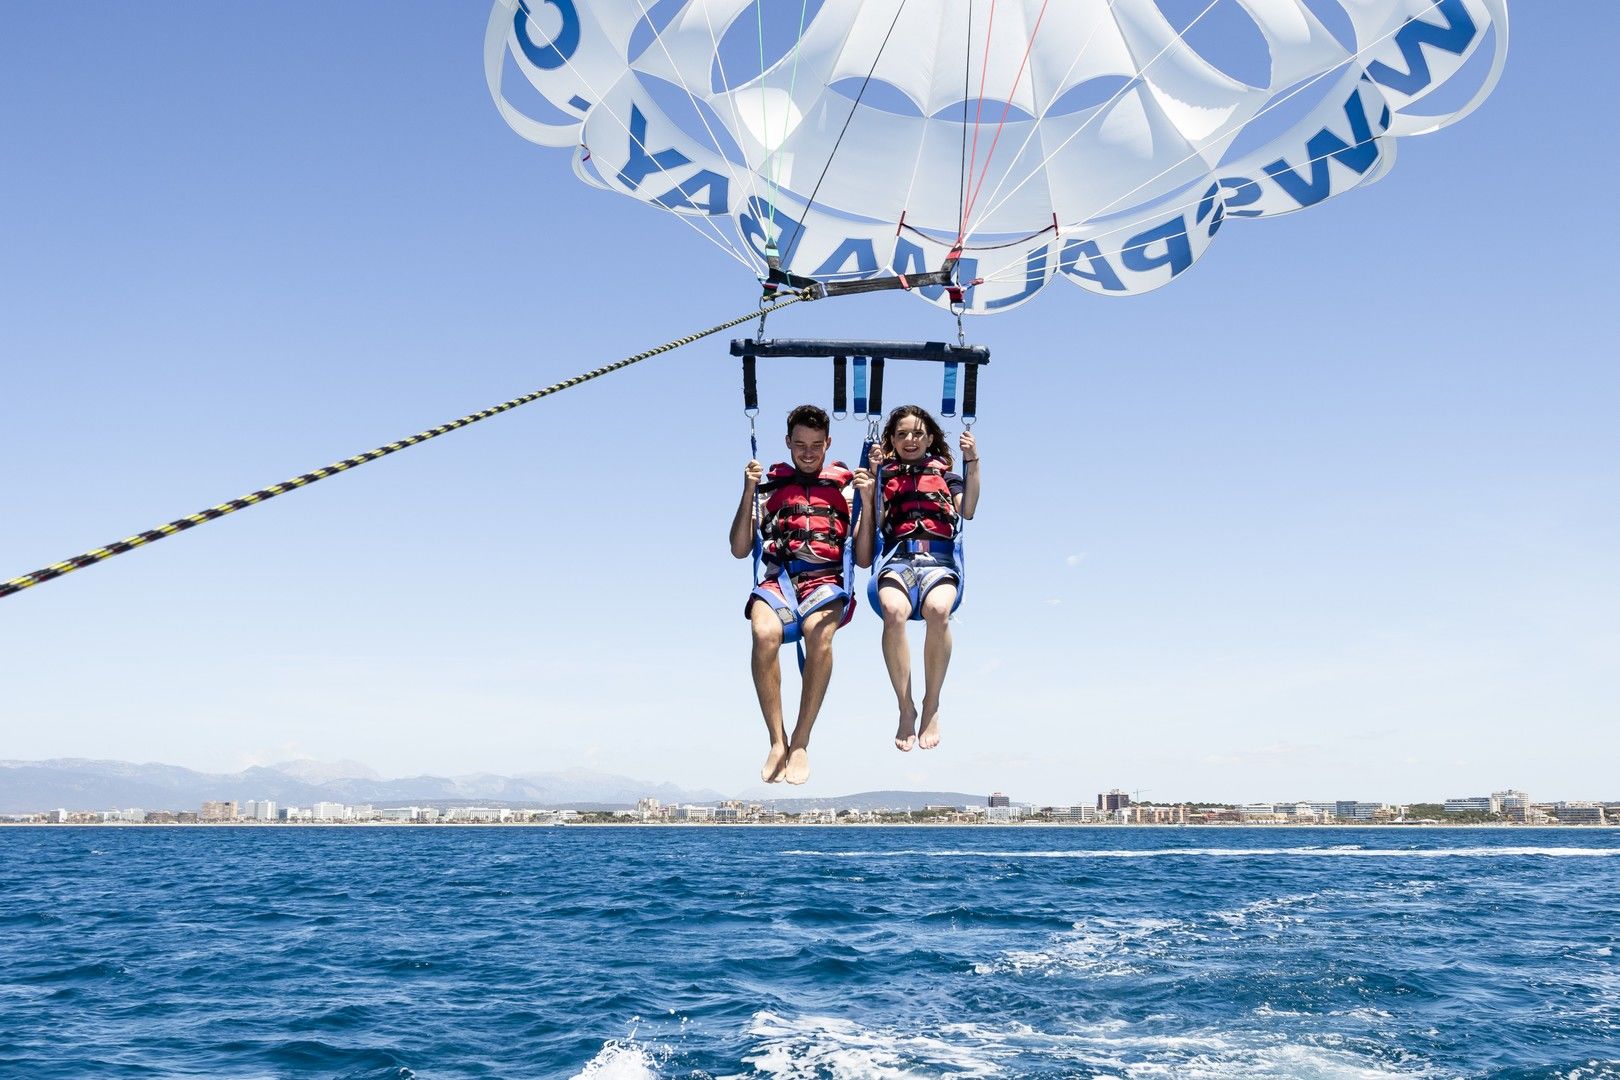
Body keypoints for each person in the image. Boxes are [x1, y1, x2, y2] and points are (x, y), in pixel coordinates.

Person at [730, 405, 874, 785]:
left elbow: (861, 558)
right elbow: (740, 549)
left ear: (828, 443)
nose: (807, 453)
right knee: (763, 635)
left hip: (825, 582)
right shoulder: (770, 485)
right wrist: (748, 490)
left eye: (815, 445)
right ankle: (777, 741)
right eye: (799, 445)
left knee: (820, 636)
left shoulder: (846, 486)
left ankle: (801, 741)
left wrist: (869, 500)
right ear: (788, 443)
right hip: (779, 581)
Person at [859, 405, 980, 752]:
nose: (909, 440)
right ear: (892, 440)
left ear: (929, 438)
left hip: (938, 560)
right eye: (901, 434)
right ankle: (905, 706)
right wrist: (872, 478)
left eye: (917, 433)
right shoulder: (884, 473)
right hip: (898, 558)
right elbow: (874, 522)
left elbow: (967, 509)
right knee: (893, 611)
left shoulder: (945, 474)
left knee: (939, 610)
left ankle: (932, 704)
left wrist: (973, 461)